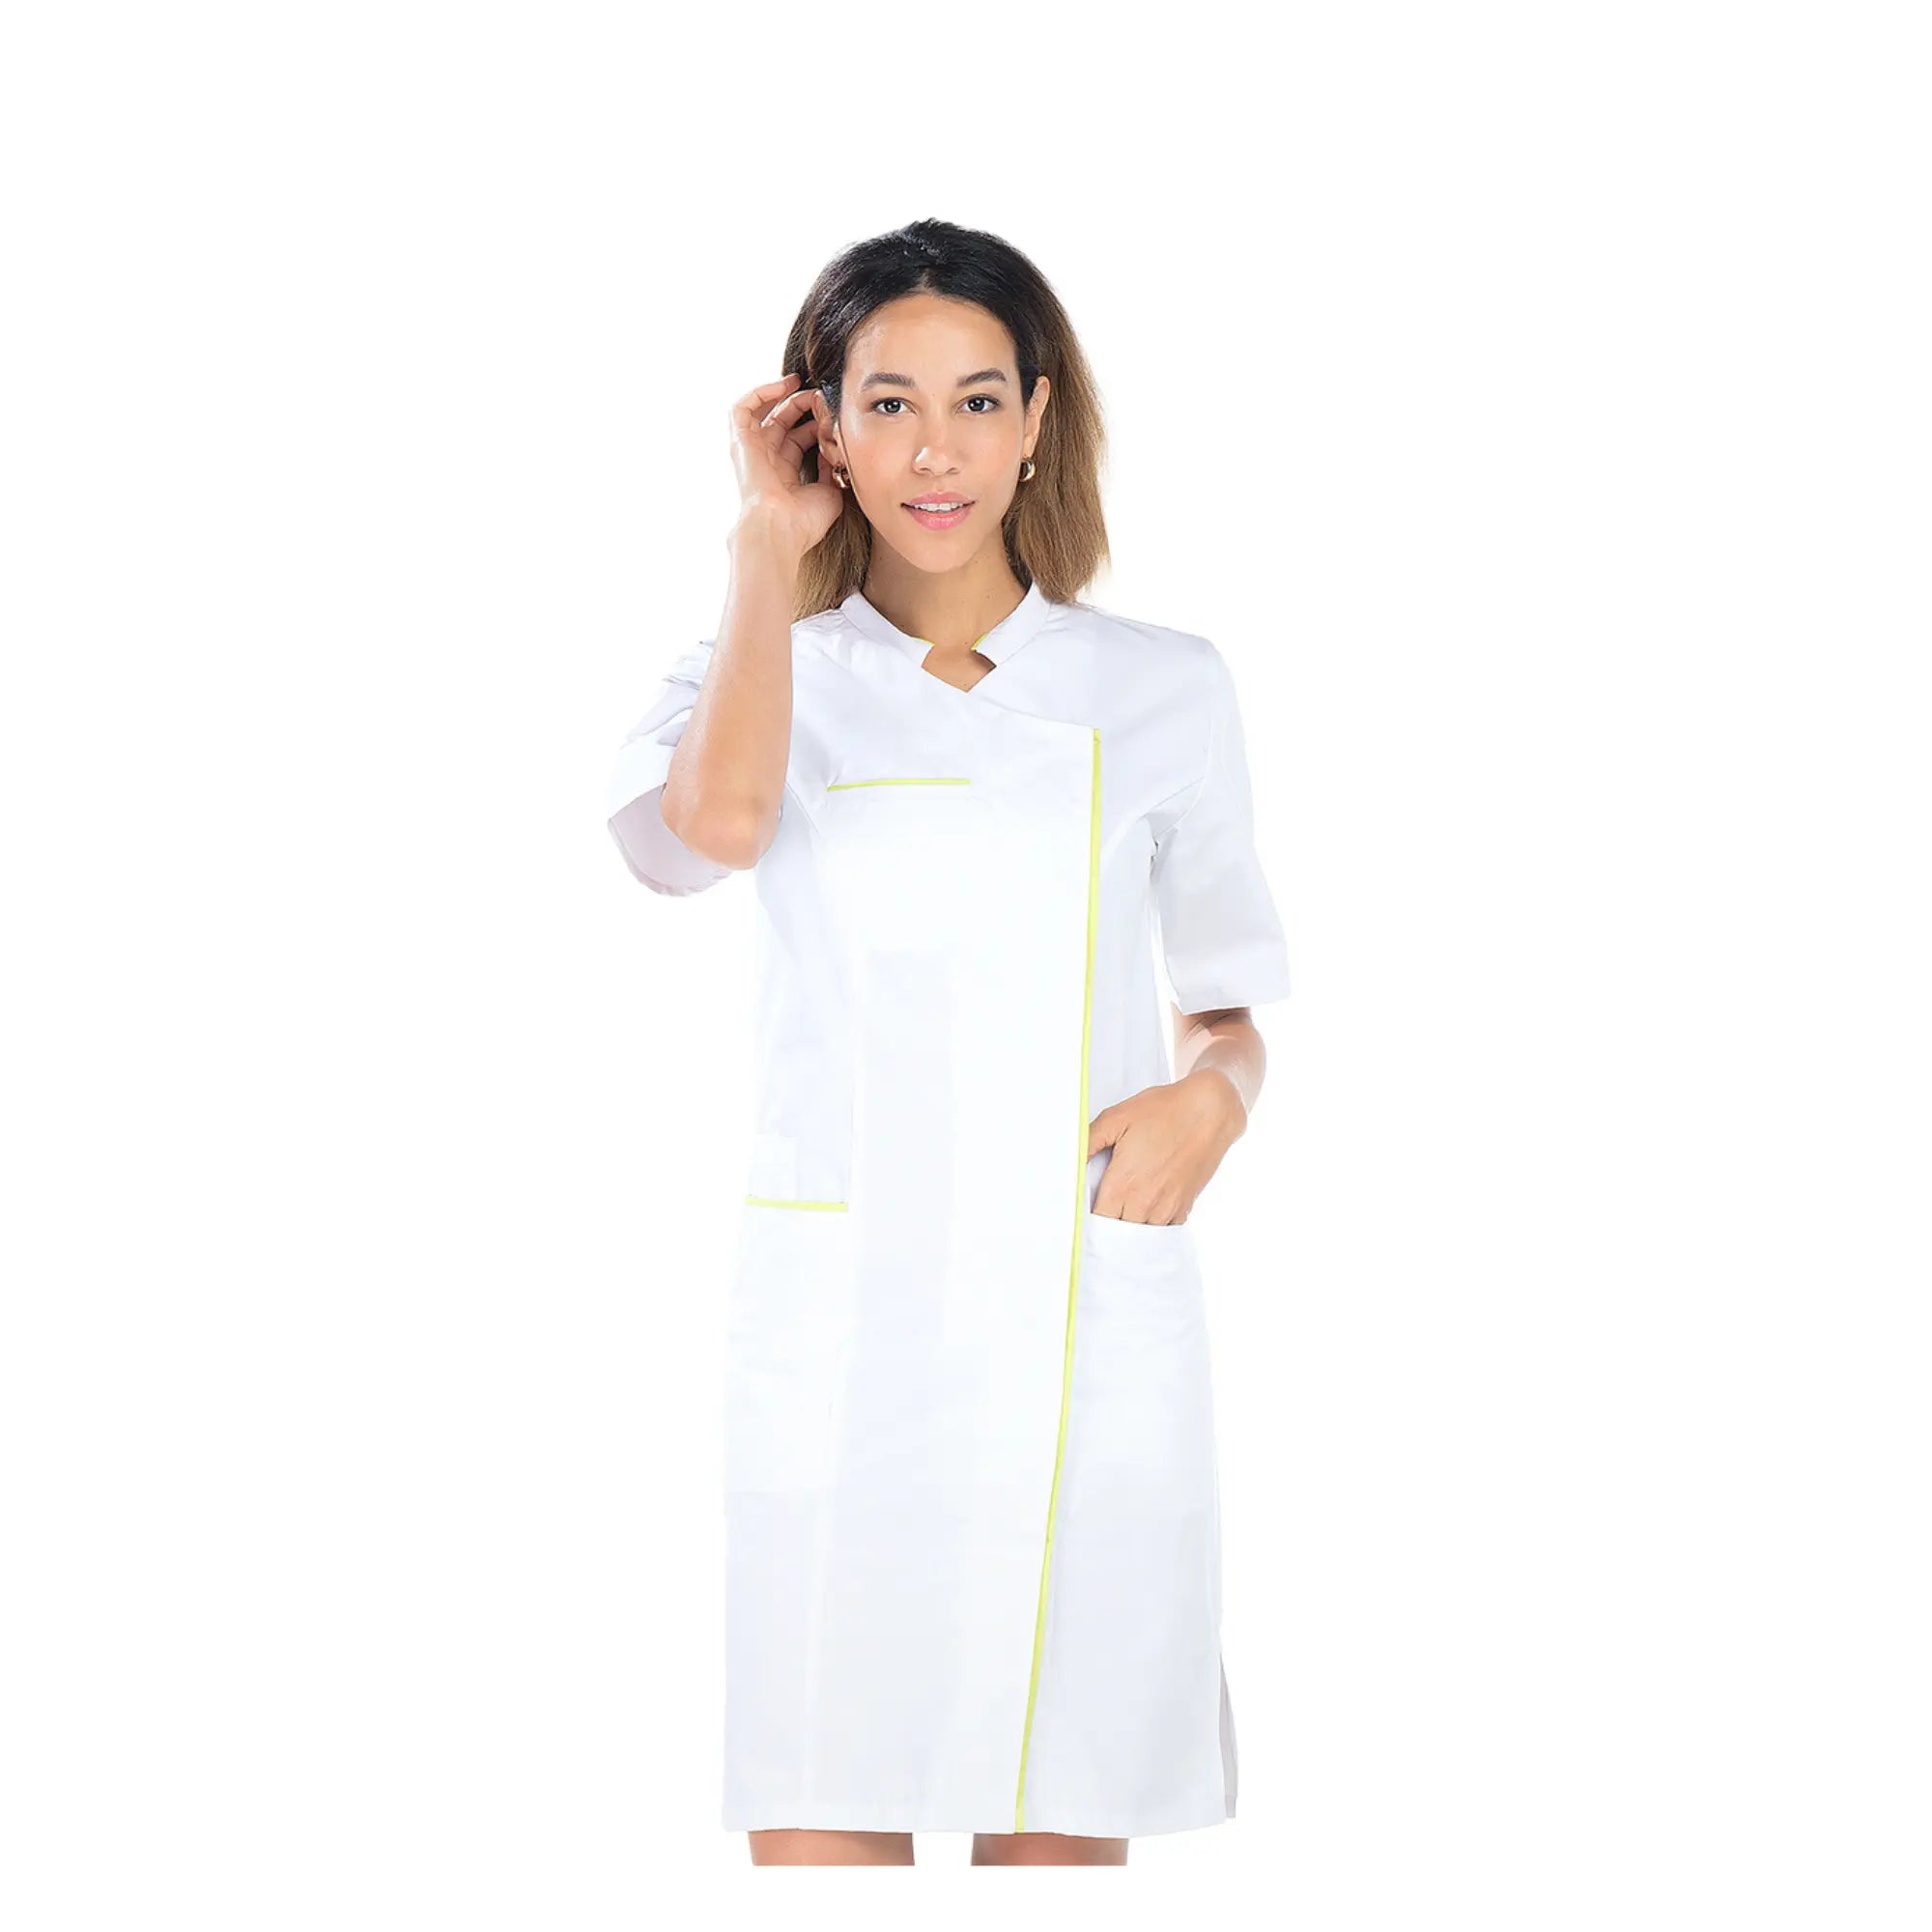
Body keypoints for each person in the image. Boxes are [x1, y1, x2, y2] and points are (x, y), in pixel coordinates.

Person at [606, 218, 1293, 1868]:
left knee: (1064, 1814)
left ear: (1038, 418)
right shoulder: (751, 675)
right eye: (889, 404)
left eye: (979, 401)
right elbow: (710, 833)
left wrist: (1216, 1099)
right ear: (821, 427)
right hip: (849, 1333)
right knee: (821, 1809)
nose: (937, 450)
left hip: (1082, 1319)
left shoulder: (1163, 687)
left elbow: (1229, 996)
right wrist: (765, 550)